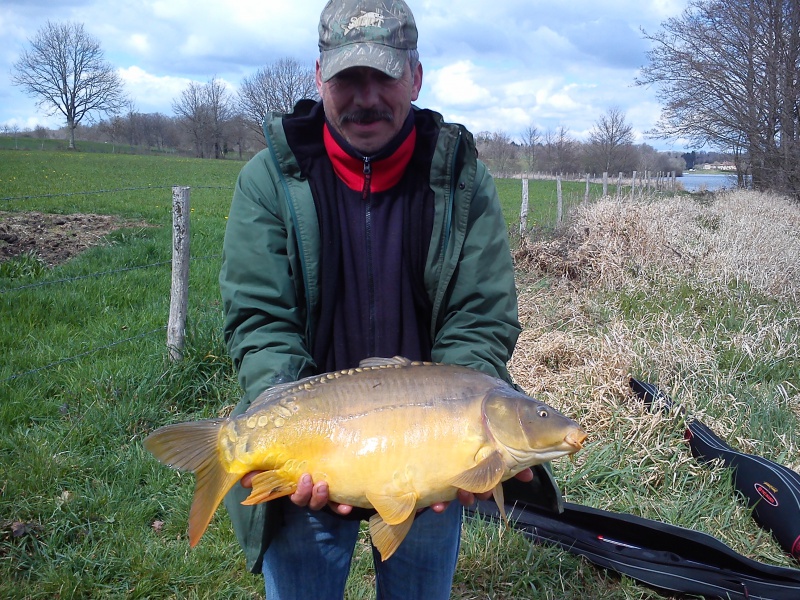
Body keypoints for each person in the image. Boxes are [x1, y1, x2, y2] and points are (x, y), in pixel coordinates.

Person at [219, 1, 561, 598]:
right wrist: (288, 421)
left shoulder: (460, 181)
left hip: (428, 458)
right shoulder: (269, 179)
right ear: (320, 76)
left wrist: (466, 440)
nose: (367, 98)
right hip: (316, 453)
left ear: (417, 75)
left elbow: (480, 318)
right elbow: (259, 320)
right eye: (350, 78)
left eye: (385, 76)